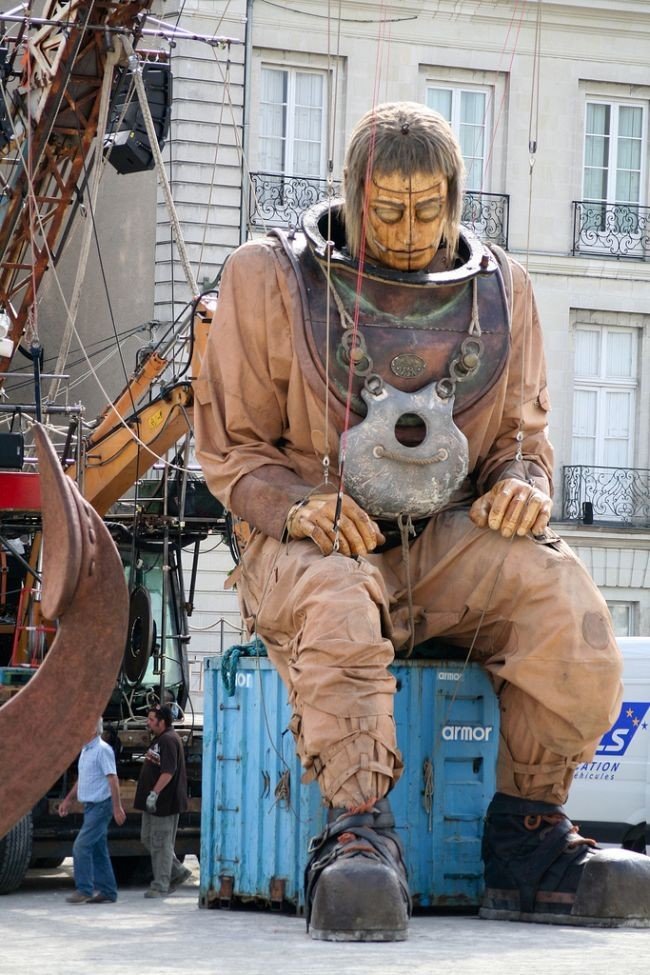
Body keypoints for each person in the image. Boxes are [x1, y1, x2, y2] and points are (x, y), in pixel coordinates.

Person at [194, 101, 650, 939]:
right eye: (389, 209)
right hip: (306, 539)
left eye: (428, 208)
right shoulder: (266, 278)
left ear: (456, 198)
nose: (409, 229)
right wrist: (299, 507)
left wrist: (520, 482)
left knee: (567, 606)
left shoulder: (501, 287)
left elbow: (521, 436)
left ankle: (528, 837)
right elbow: (234, 454)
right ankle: (358, 830)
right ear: (353, 196)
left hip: (444, 543)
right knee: (336, 601)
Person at [59, 718, 126, 904]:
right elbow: (84, 779)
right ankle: (108, 891)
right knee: (98, 850)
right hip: (90, 807)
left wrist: (116, 807)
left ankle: (84, 889)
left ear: (92, 730)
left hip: (100, 807)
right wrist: (68, 800)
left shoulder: (102, 750)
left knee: (81, 846)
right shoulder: (86, 750)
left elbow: (113, 779)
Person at [134, 704, 191, 898]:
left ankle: (161, 884)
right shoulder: (160, 739)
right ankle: (178, 871)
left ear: (162, 722)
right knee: (148, 838)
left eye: (151, 720)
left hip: (164, 803)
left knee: (161, 842)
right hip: (154, 804)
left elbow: (168, 771)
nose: (148, 723)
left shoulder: (168, 740)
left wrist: (154, 794)